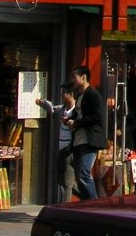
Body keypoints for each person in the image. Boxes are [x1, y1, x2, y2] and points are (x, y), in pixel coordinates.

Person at [67, 65, 107, 200]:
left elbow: (98, 116)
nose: (73, 79)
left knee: (84, 173)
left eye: (75, 77)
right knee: (79, 175)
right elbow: (77, 114)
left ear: (83, 77)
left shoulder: (93, 94)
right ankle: (86, 204)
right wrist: (69, 119)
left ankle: (94, 205)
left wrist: (77, 122)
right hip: (79, 140)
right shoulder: (80, 95)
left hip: (89, 140)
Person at [36, 81, 78, 202]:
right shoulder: (62, 109)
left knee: (67, 182)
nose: (61, 95)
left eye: (64, 93)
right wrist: (42, 103)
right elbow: (52, 109)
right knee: (63, 180)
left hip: (71, 149)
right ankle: (89, 197)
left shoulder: (77, 111)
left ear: (71, 95)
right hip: (61, 149)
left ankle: (66, 209)